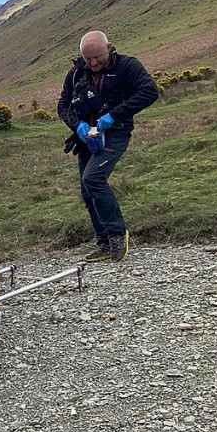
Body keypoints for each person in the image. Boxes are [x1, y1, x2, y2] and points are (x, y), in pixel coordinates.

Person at [57, 30, 158, 262]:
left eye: (97, 58)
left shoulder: (127, 66)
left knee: (93, 178)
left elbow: (150, 92)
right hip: (86, 138)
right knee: (87, 190)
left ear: (109, 47)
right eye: (87, 58)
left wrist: (113, 116)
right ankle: (103, 241)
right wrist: (78, 125)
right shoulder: (76, 73)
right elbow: (63, 106)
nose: (92, 63)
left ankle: (116, 234)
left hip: (115, 132)